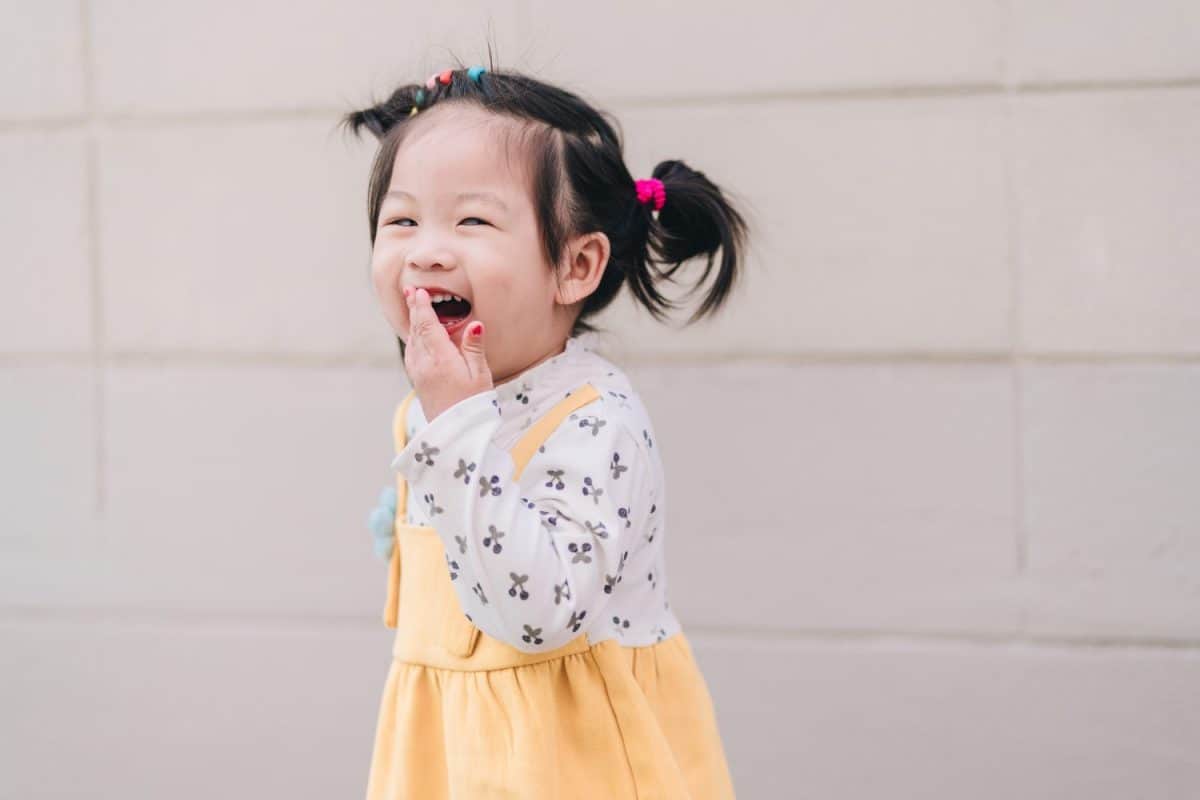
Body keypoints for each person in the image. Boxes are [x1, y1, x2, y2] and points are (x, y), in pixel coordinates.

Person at [344, 58, 748, 799]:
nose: (426, 249)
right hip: (449, 748)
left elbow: (539, 616)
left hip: (573, 757)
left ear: (575, 265)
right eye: (401, 220)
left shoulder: (594, 418)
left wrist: (457, 434)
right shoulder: (428, 409)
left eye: (471, 220)